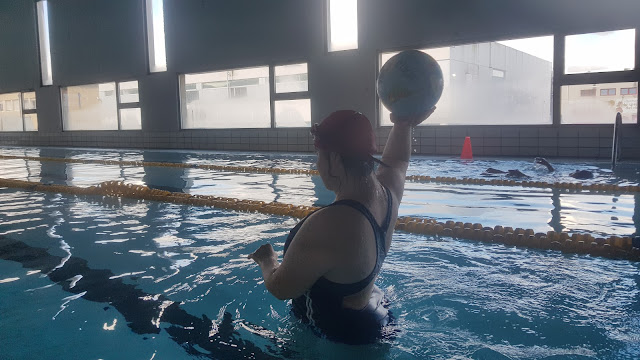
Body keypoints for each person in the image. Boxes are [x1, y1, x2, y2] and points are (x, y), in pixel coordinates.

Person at [248, 108, 435, 344]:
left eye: (318, 155)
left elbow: (281, 289)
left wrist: (267, 260)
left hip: (332, 333)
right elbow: (398, 161)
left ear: (334, 158)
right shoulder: (388, 194)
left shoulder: (331, 224)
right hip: (374, 316)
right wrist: (403, 123)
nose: (316, 164)